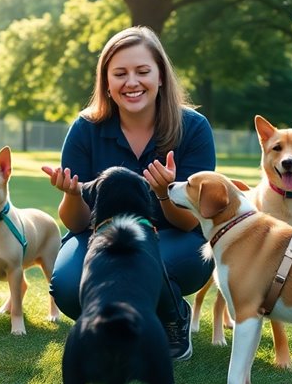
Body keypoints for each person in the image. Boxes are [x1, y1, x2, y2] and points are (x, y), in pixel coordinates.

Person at [42, 26, 216, 361]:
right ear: (106, 82)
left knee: (142, 262)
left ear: (161, 76)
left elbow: (190, 223)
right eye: (120, 73)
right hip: (99, 237)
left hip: (174, 239)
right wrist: (72, 195)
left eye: (142, 71)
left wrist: (165, 193)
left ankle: (172, 316)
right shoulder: (85, 128)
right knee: (66, 285)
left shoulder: (193, 128)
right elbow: (77, 225)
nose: (131, 82)